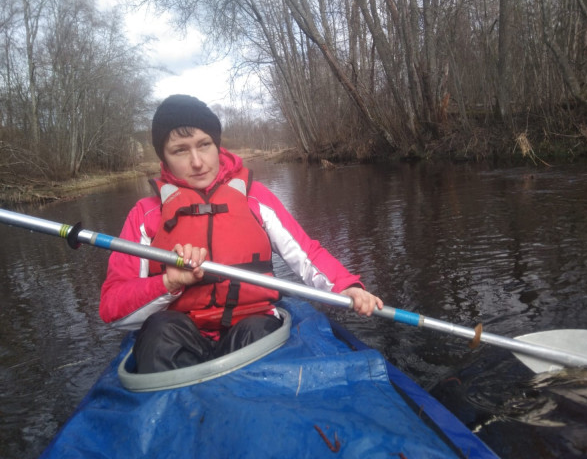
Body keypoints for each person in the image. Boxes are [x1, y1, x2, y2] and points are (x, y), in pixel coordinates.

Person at [100, 94, 383, 373]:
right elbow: (113, 308)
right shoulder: (146, 213)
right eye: (180, 150)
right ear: (164, 156)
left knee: (255, 334)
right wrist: (169, 282)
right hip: (179, 330)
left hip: (252, 322)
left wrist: (347, 286)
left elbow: (305, 253)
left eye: (204, 145)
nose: (197, 161)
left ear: (217, 145)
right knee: (160, 335)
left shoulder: (254, 197)